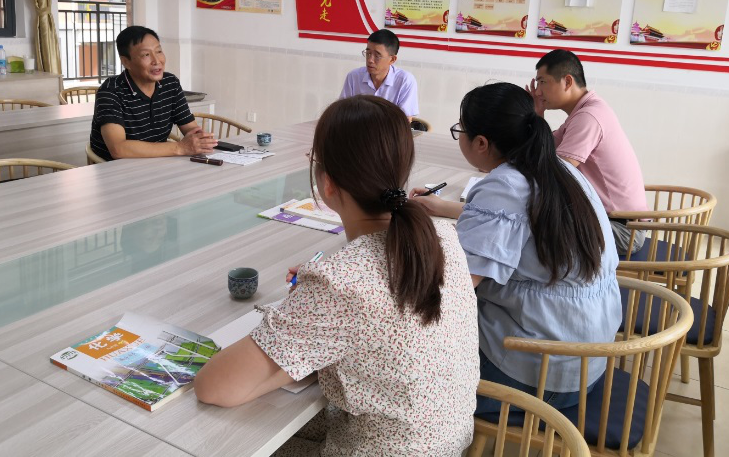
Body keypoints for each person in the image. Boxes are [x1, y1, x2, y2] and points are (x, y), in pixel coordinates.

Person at [195, 95, 479, 456]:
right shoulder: (443, 236)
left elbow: (214, 387)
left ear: (328, 185)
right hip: (449, 443)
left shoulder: (340, 283)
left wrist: (315, 301)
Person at [410, 83, 622, 419]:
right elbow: (522, 220)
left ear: (481, 143)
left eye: (460, 131)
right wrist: (442, 207)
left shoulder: (504, 185)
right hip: (585, 360)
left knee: (404, 355)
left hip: (538, 375)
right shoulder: (559, 169)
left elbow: (451, 288)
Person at [526, 49, 647, 254]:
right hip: (606, 220)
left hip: (621, 230)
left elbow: (557, 172)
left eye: (542, 82)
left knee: (529, 228)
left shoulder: (588, 116)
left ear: (567, 81)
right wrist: (538, 116)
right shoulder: (583, 112)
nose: (537, 92)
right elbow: (545, 149)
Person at [89, 26, 217, 161]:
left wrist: (199, 139)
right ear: (126, 62)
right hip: (115, 169)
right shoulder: (110, 91)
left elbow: (190, 128)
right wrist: (180, 147)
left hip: (156, 162)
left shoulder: (170, 83)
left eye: (159, 51)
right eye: (146, 55)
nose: (157, 61)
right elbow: (118, 149)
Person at [339, 29, 419, 121]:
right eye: (368, 53)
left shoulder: (405, 81)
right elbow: (343, 112)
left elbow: (404, 120)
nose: (370, 60)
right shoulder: (354, 77)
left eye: (377, 56)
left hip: (389, 130)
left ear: (392, 59)